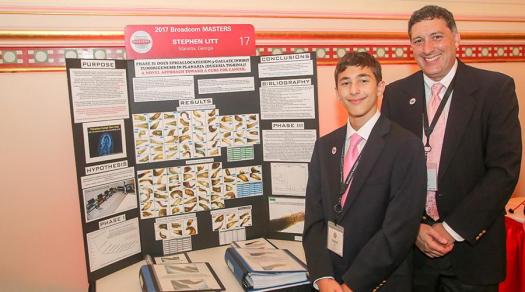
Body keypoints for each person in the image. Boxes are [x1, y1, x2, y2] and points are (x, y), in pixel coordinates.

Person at [381, 5, 522, 291]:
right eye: (418, 40)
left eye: (436, 37)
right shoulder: (396, 95)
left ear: (456, 38)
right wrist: (415, 228)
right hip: (413, 254)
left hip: (471, 252)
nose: (427, 48)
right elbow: (387, 173)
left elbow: (503, 171)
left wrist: (450, 229)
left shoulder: (495, 90)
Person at [303, 51, 427, 292]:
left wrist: (353, 284)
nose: (354, 90)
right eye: (345, 83)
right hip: (332, 281)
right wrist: (323, 277)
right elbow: (314, 219)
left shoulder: (405, 145)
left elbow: (399, 229)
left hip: (379, 281)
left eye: (363, 80)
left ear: (380, 87)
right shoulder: (325, 145)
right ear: (338, 93)